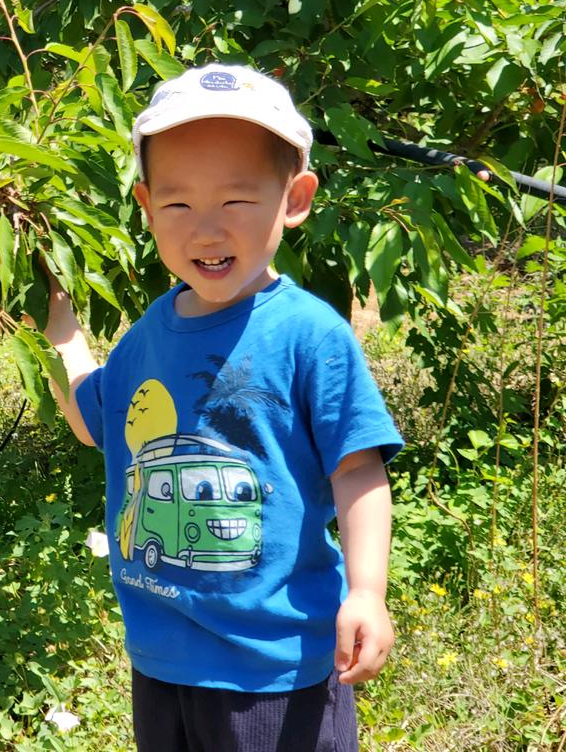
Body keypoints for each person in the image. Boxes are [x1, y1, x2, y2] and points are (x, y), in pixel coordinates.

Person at [42, 63, 404, 751]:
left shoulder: (309, 334)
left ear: (294, 198)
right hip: (162, 661)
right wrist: (62, 333)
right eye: (178, 206)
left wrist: (367, 591)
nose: (206, 231)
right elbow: (94, 421)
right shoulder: (149, 333)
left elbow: (358, 470)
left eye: (237, 202)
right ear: (146, 208)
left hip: (274, 666)